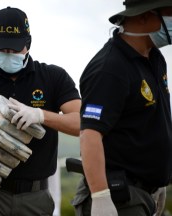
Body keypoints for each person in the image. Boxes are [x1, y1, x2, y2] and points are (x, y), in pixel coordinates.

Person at [0, 6, 81, 216]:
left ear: (28, 44)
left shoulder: (53, 78)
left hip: (35, 196)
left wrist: (41, 115)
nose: (8, 54)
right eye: (2, 49)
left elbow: (81, 123)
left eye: (14, 49)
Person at [73, 0, 172, 215]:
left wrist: (158, 178)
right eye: (169, 13)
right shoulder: (110, 68)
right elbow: (90, 134)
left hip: (143, 192)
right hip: (119, 196)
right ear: (144, 15)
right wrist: (100, 197)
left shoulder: (154, 58)